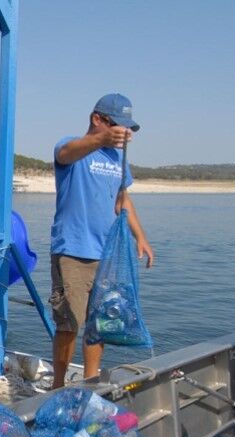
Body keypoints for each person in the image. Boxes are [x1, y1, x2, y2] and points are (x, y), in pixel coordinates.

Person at [49, 93, 154, 389]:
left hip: (108, 255)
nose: (123, 133)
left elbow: (122, 198)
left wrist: (141, 237)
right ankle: (57, 387)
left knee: (102, 323)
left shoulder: (117, 158)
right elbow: (64, 154)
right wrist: (101, 140)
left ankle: (90, 383)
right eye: (117, 125)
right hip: (72, 251)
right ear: (98, 119)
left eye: (126, 128)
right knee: (69, 323)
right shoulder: (72, 147)